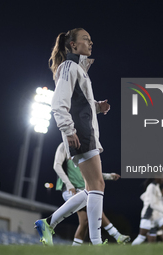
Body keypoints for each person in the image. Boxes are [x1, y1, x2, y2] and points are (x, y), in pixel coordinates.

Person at [34, 28, 110, 246]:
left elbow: (80, 104)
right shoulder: (69, 66)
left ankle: (48, 223)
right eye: (86, 39)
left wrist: (97, 107)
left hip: (85, 131)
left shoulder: (78, 68)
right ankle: (96, 243)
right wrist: (68, 131)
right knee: (97, 185)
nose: (91, 42)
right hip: (81, 133)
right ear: (73, 45)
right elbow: (58, 103)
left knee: (92, 188)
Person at [53, 142, 130, 245]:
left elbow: (91, 173)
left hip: (84, 190)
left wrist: (109, 176)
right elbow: (56, 165)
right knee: (94, 207)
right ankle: (116, 235)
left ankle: (75, 249)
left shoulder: (83, 148)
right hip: (71, 189)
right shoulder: (64, 145)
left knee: (84, 221)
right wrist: (69, 184)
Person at [132, 178, 163, 245]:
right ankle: (130, 250)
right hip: (148, 215)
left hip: (156, 216)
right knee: (142, 237)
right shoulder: (152, 186)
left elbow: (145, 197)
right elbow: (152, 205)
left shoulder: (156, 186)